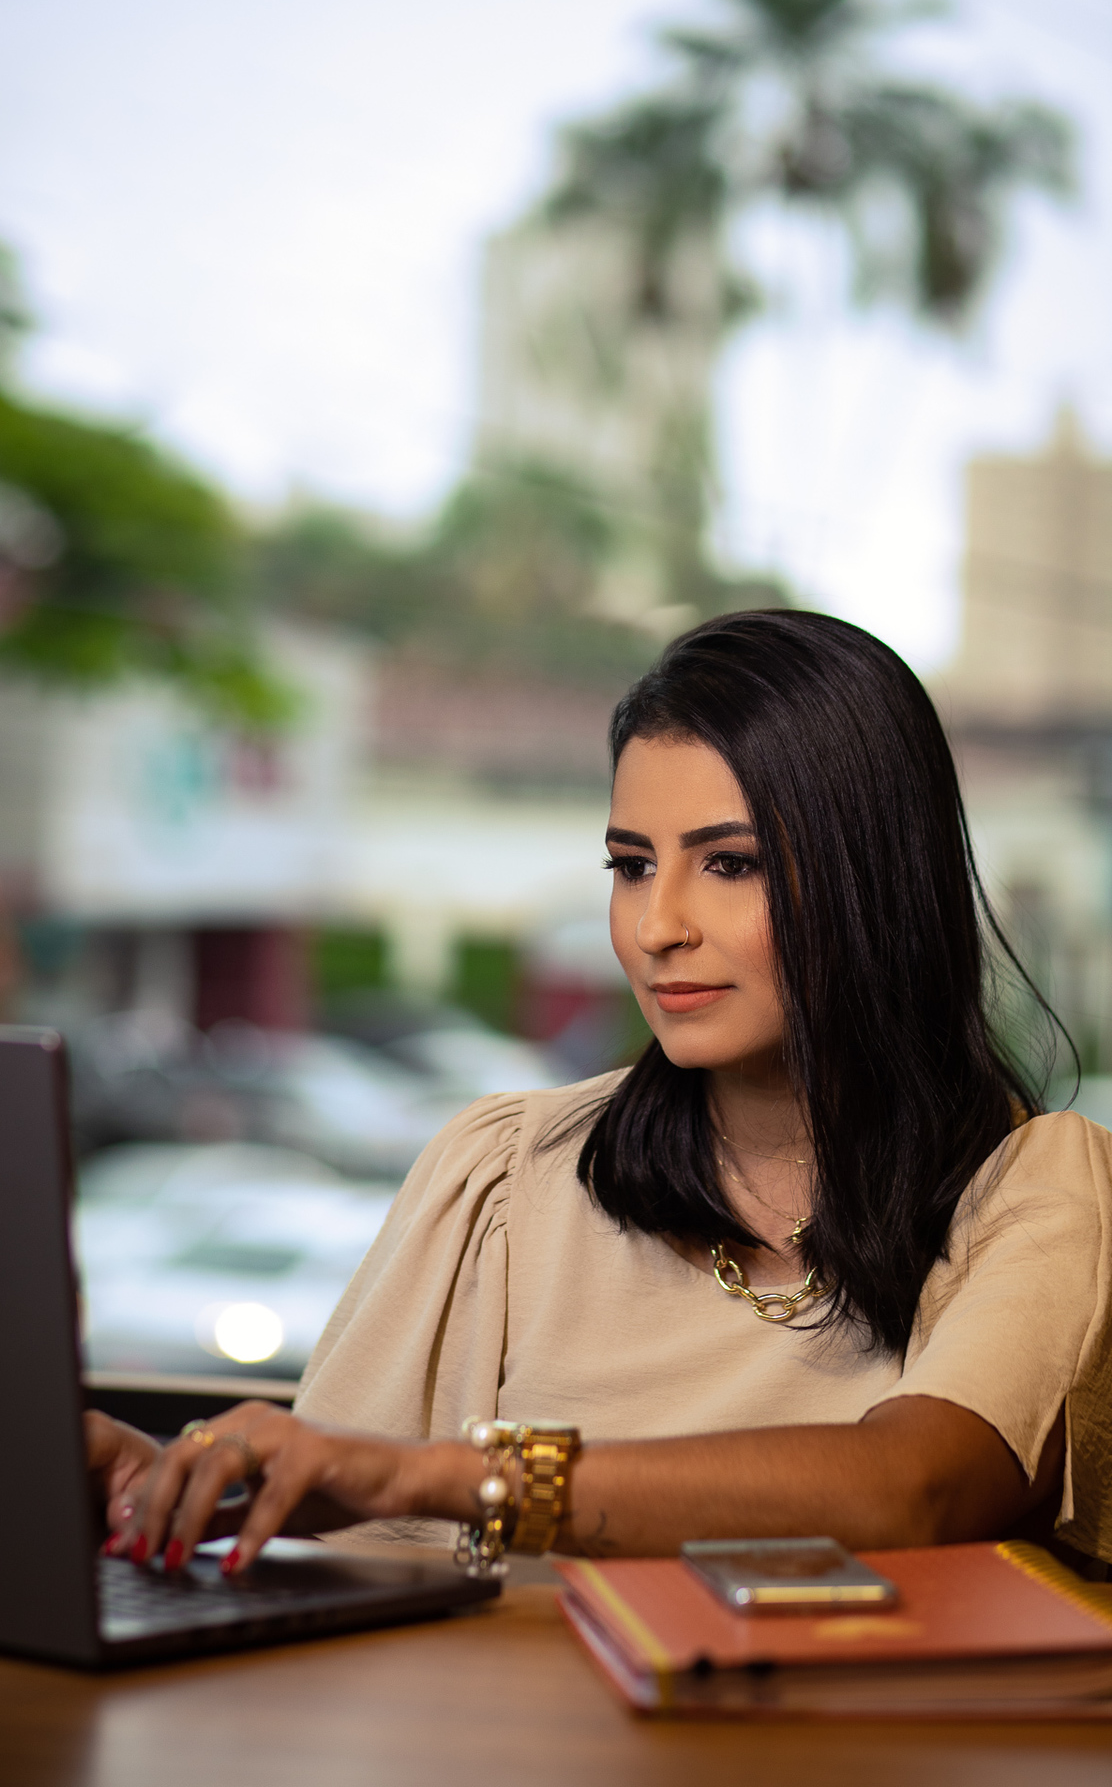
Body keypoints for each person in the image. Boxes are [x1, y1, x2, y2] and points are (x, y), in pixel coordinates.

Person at [90, 610, 1112, 1576]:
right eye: (631, 866)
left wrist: (466, 1476)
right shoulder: (506, 1174)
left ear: (875, 881)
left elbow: (917, 1490)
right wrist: (171, 1486)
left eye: (730, 864)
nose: (657, 927)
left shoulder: (1033, 1189)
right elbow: (344, 1504)